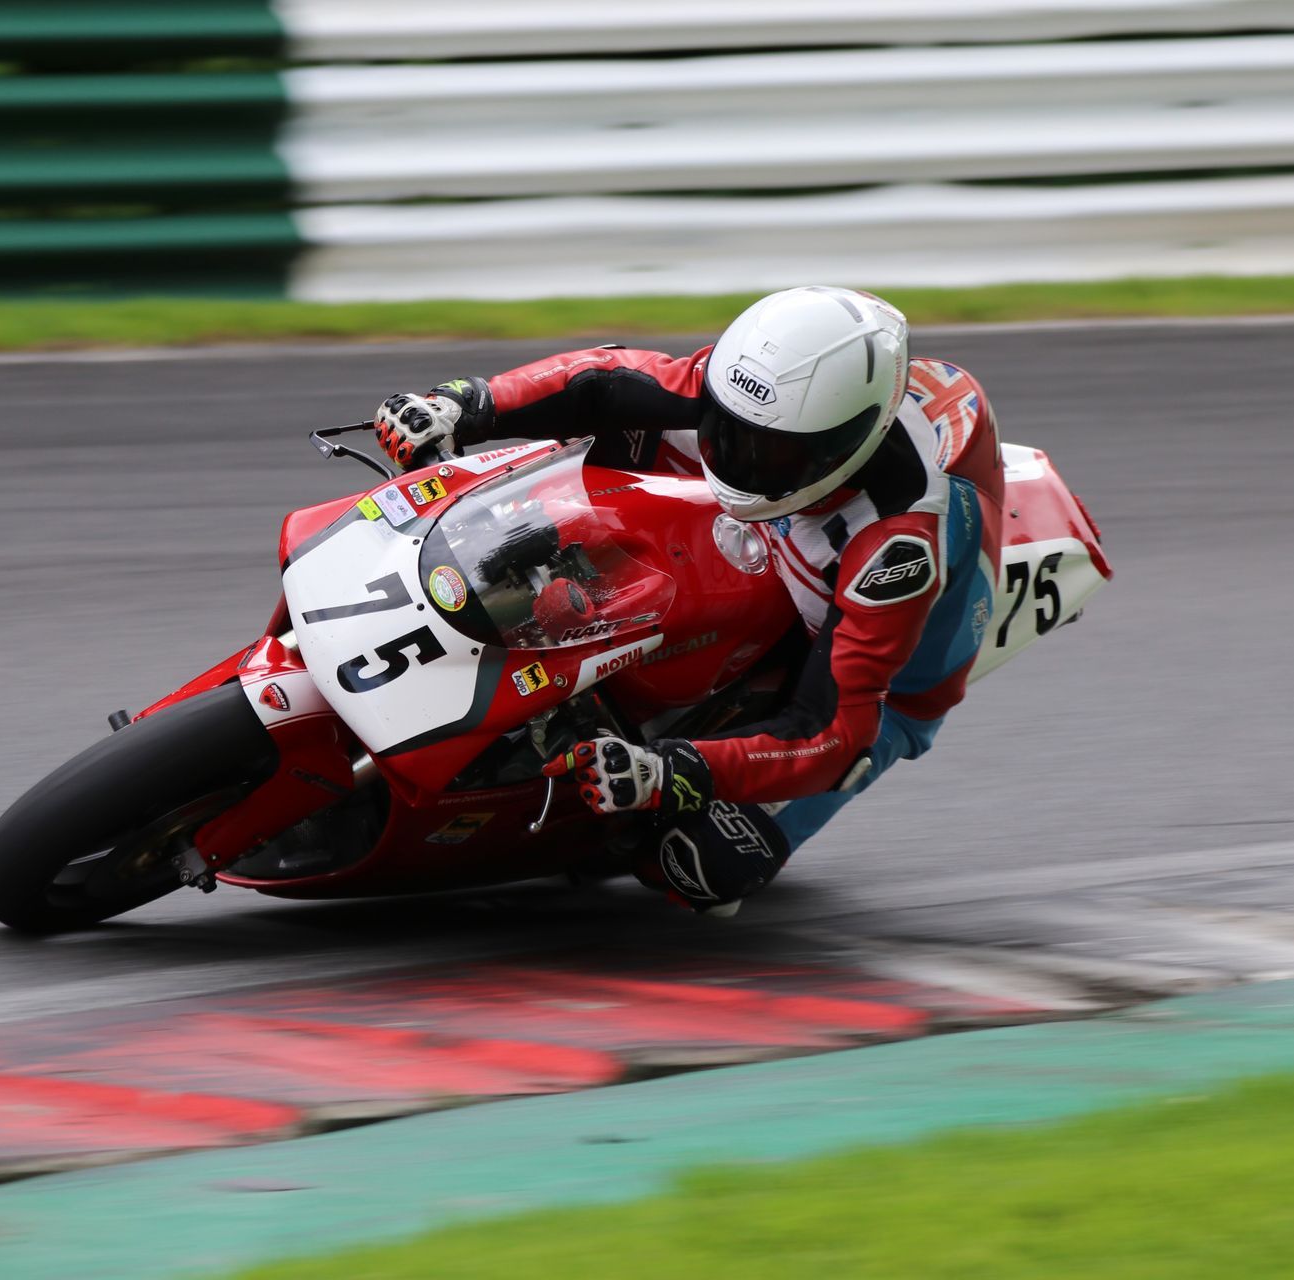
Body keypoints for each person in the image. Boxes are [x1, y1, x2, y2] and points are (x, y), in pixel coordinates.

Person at [373, 287, 1005, 916]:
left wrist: (672, 771)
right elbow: (607, 379)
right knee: (621, 447)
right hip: (780, 527)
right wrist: (467, 403)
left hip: (875, 682)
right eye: (726, 429)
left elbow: (832, 731)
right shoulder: (765, 403)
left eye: (768, 449)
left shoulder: (894, 548)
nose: (736, 458)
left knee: (698, 863)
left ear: (843, 446)